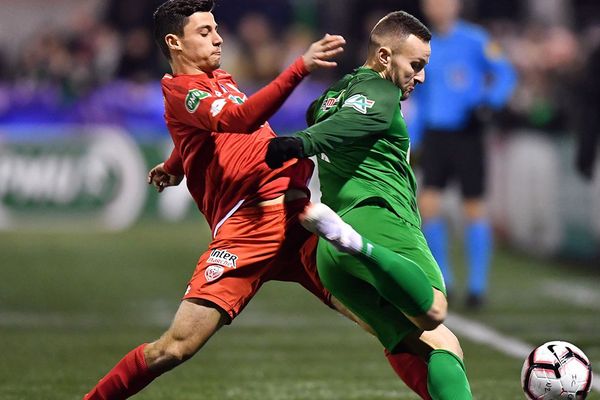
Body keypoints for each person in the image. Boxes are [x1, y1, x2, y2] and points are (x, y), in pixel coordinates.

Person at [83, 1, 427, 399]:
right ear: (174, 42)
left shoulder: (219, 79)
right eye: (205, 32)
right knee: (175, 347)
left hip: (297, 218)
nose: (218, 38)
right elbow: (238, 120)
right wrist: (300, 67)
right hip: (247, 231)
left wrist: (175, 162)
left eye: (215, 28)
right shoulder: (182, 91)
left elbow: (206, 133)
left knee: (383, 321)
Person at [265, 10, 472, 400]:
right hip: (377, 221)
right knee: (435, 311)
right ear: (382, 57)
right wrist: (303, 141)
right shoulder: (381, 91)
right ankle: (358, 245)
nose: (421, 76)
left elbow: (324, 134)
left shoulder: (326, 100)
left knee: (439, 345)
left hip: (333, 261)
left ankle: (351, 243)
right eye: (416, 65)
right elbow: (365, 119)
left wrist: (299, 168)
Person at [412, 0, 516, 308]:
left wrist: (489, 102)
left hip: (467, 133)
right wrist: (414, 138)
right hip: (435, 135)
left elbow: (505, 74)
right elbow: (418, 94)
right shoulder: (421, 45)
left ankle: (477, 286)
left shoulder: (476, 39)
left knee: (474, 206)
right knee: (428, 205)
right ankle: (444, 279)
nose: (439, 7)